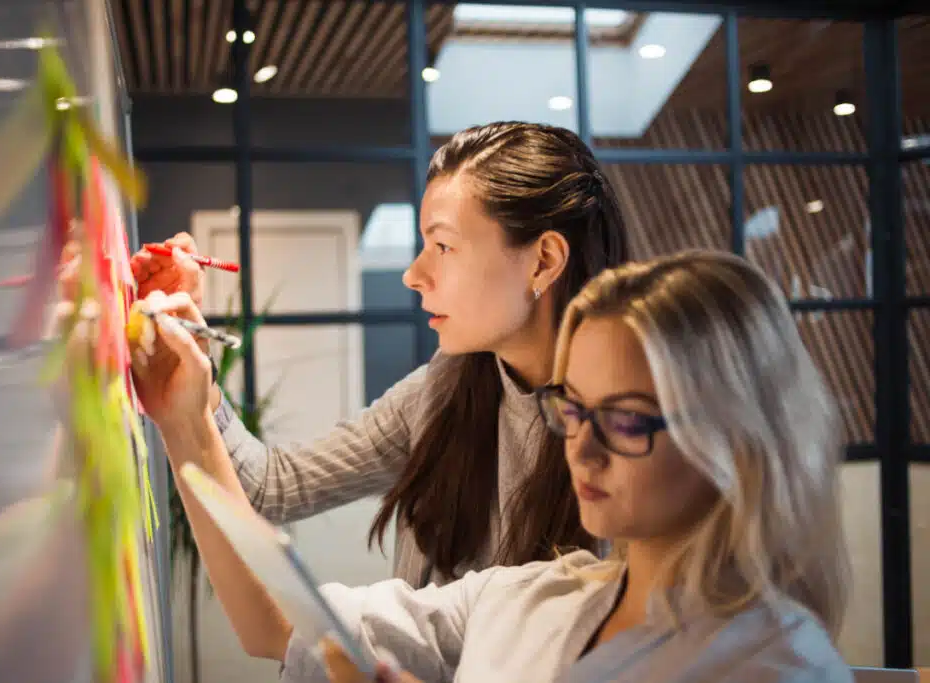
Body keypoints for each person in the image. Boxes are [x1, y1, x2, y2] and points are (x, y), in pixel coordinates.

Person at [141, 249, 853, 683]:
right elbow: (279, 622)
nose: (584, 446)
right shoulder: (531, 597)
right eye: (572, 409)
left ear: (738, 434)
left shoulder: (780, 664)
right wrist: (184, 419)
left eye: (627, 419)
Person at [131, 121, 630, 587]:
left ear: (543, 261)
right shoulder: (447, 386)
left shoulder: (628, 439)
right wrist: (191, 374)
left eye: (444, 246)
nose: (413, 274)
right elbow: (271, 486)